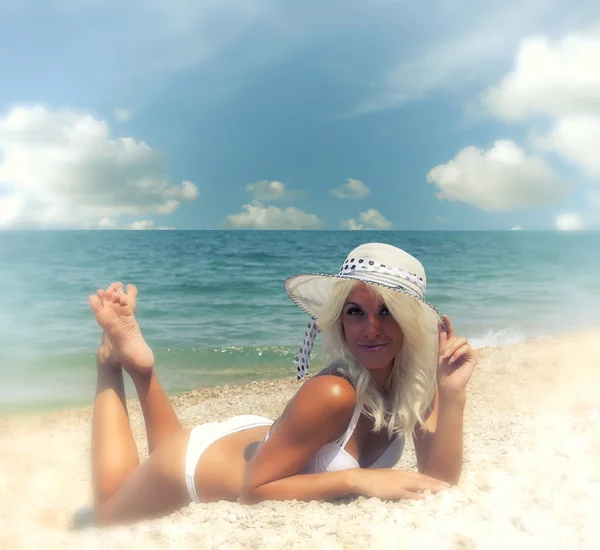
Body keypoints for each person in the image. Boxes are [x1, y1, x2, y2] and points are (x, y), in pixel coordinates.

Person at [87, 242, 477, 526]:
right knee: (108, 512)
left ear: (411, 323)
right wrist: (358, 478)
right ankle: (111, 363)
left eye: (387, 312)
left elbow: (438, 481)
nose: (370, 328)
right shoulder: (334, 393)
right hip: (191, 466)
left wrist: (452, 394)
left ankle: (142, 371)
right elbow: (252, 491)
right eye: (355, 312)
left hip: (252, 442)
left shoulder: (417, 385)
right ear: (340, 320)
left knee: (161, 453)